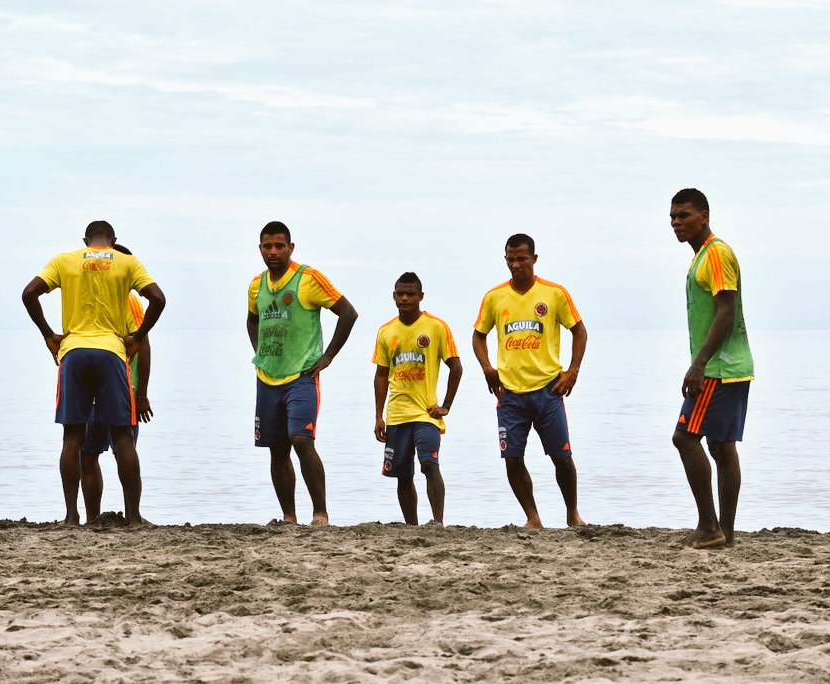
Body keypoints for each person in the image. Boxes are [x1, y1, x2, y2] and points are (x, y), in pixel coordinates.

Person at [21, 220, 166, 527]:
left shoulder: (64, 260)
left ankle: (72, 517)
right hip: (112, 353)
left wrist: (49, 334)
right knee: (123, 438)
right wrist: (138, 337)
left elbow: (29, 293)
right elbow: (158, 299)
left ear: (85, 240)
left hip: (73, 352)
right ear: (113, 240)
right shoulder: (126, 262)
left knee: (72, 437)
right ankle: (134, 517)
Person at [472, 234, 588, 528]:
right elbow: (478, 335)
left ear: (534, 259)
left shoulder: (554, 294)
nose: (516, 264)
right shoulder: (495, 297)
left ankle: (572, 514)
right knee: (512, 458)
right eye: (510, 259)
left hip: (548, 390)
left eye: (522, 258)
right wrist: (487, 368)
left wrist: (572, 370)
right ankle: (532, 517)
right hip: (510, 393)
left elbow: (579, 331)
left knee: (562, 457)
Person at [246, 220, 358, 526]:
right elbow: (252, 320)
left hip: (302, 375)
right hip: (267, 377)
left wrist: (328, 356)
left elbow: (348, 313)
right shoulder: (256, 284)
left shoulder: (308, 278)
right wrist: (260, 351)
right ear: (260, 249)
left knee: (301, 439)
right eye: (267, 246)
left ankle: (320, 513)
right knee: (277, 448)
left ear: (290, 248)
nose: (273, 252)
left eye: (279, 246)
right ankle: (289, 516)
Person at [669, 188, 754, 549]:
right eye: (673, 217)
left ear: (704, 215)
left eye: (684, 215)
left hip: (720, 368)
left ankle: (709, 527)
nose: (677, 223)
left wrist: (699, 364)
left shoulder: (716, 254)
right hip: (734, 366)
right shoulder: (702, 256)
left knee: (685, 438)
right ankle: (726, 534)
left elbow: (726, 311)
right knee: (721, 446)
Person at [373, 272, 463, 526]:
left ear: (421, 296)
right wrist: (379, 416)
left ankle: (438, 523)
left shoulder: (436, 327)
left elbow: (456, 367)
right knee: (403, 474)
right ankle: (411, 526)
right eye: (400, 294)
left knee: (429, 464)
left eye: (410, 294)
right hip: (397, 414)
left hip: (427, 414)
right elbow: (380, 376)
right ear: (393, 297)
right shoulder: (386, 331)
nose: (405, 298)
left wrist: (446, 405)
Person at [79, 243, 154, 524]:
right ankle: (92, 518)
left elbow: (143, 346)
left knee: (122, 450)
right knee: (88, 453)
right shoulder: (91, 297)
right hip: (92, 391)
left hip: (123, 389)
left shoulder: (130, 300)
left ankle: (133, 515)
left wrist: (141, 393)